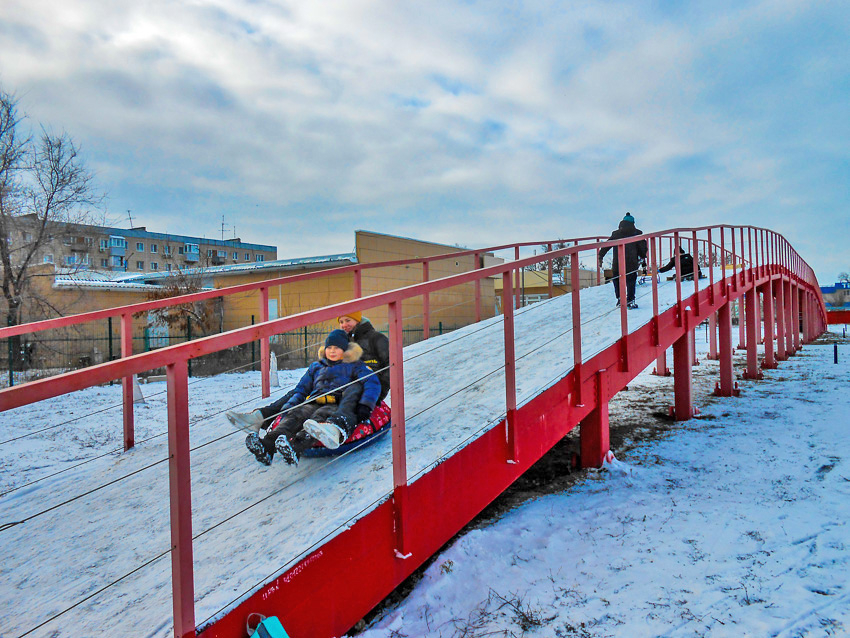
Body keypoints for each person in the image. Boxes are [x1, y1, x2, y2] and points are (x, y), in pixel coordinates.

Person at [238, 329, 381, 467]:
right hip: (313, 401)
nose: (332, 351)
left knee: (316, 420)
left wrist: (366, 404)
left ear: (345, 350)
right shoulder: (316, 367)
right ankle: (267, 446)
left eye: (337, 348)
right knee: (295, 416)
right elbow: (302, 388)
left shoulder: (354, 366)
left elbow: (371, 382)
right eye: (329, 347)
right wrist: (289, 406)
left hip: (334, 403)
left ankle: (295, 448)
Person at [337, 311, 390, 402]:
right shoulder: (343, 342)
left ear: (357, 320)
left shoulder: (376, 338)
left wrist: (379, 394)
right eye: (341, 322)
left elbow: (390, 365)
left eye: (348, 320)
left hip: (372, 390)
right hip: (348, 394)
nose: (344, 325)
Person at [598, 213, 648, 309]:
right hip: (632, 262)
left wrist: (601, 255)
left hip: (618, 262)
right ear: (633, 223)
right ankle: (630, 300)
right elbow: (642, 248)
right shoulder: (637, 233)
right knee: (631, 280)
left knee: (616, 279)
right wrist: (642, 256)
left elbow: (607, 245)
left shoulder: (616, 234)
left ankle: (620, 298)